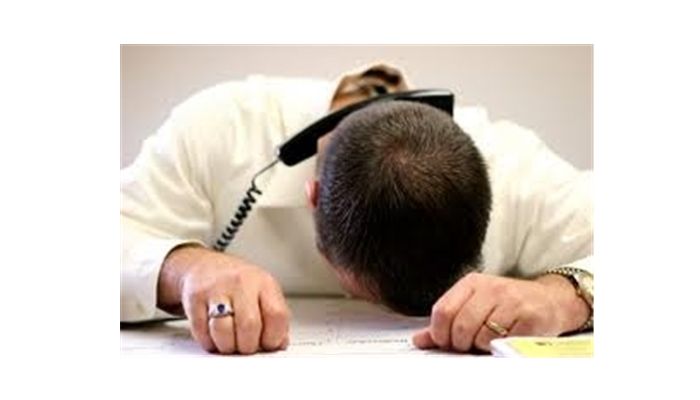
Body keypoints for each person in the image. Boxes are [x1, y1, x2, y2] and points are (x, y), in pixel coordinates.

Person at [121, 64, 593, 355]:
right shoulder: (219, 131)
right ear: (313, 198)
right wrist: (184, 269)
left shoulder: (517, 168)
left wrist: (564, 297)